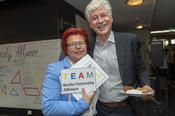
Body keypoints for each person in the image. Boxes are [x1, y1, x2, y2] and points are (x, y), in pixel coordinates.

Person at [84, 0, 155, 116]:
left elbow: (141, 69)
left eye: (103, 15)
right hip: (100, 109)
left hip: (126, 107)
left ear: (111, 18)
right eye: (95, 18)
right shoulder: (88, 48)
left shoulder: (129, 41)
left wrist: (146, 85)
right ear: (90, 24)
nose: (100, 21)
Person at [41, 27, 95, 116]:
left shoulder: (93, 67)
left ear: (86, 45)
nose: (78, 47)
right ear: (66, 48)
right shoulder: (56, 70)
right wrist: (82, 104)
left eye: (81, 43)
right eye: (73, 44)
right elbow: (49, 107)